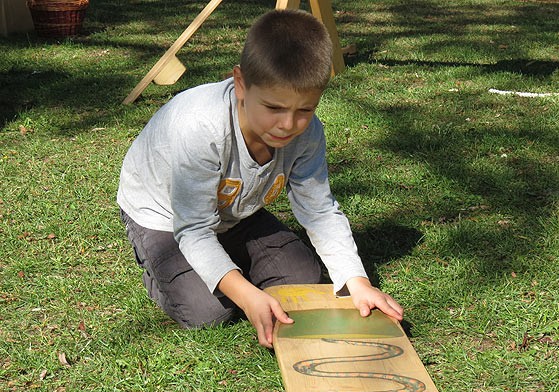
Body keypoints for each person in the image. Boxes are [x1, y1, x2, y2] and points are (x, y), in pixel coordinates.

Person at [117, 8, 403, 348]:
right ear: (240, 84)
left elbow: (320, 211)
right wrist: (248, 296)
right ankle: (161, 272)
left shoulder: (307, 134)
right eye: (274, 108)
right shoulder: (200, 128)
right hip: (163, 217)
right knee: (207, 311)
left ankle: (226, 257)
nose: (288, 125)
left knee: (304, 281)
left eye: (305, 110)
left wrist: (357, 281)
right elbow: (192, 229)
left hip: (235, 212)